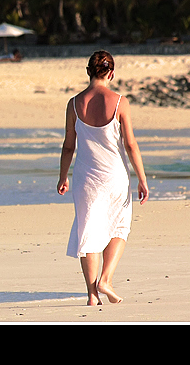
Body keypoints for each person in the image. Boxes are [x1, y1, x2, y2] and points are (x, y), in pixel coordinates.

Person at [56, 50, 149, 306]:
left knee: (88, 232)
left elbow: (68, 146)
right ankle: (105, 279)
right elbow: (130, 144)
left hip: (85, 178)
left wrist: (63, 176)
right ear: (111, 73)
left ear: (88, 71)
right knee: (119, 227)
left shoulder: (74, 103)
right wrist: (142, 178)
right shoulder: (120, 102)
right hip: (115, 176)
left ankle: (92, 294)